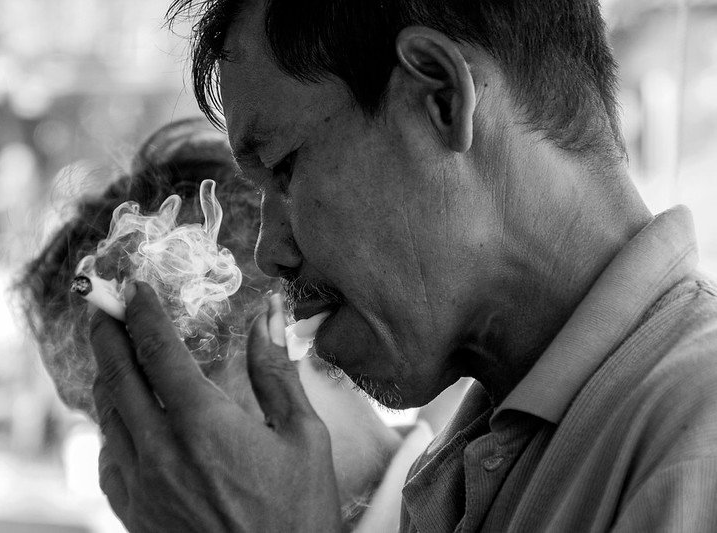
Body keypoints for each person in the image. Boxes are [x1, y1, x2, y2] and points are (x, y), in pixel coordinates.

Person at [89, 0, 717, 531]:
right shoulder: (475, 461)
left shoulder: (695, 438)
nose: (270, 251)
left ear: (439, 98)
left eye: (283, 168)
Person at [16, 118, 427, 530]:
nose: (151, 468)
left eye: (159, 403)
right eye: (109, 421)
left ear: (298, 336)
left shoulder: (478, 504)